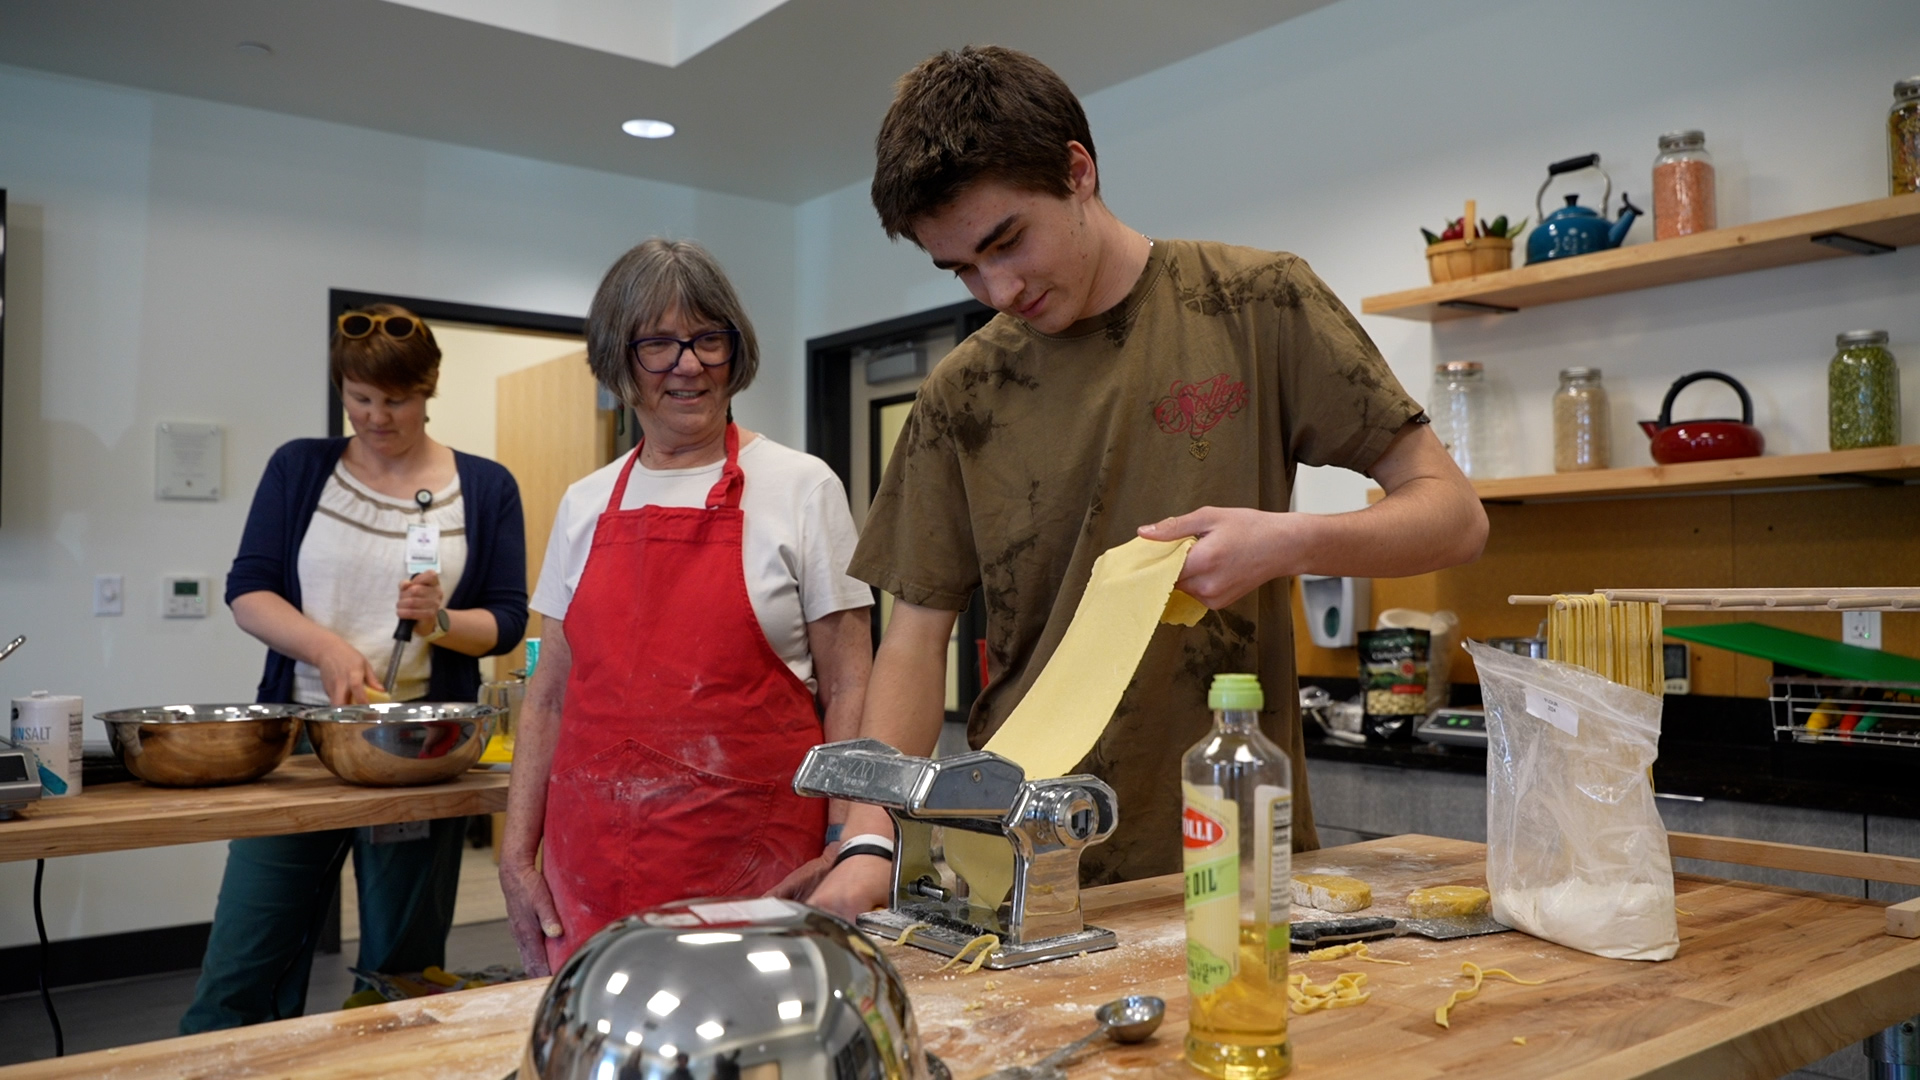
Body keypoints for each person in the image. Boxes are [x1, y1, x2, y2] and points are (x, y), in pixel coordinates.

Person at [799, 46, 1489, 919]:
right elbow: (912, 638)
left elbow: (1454, 516)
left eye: (1007, 241)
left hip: (1230, 842)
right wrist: (870, 837)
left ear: (1077, 170)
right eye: (962, 269)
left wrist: (1290, 542)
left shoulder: (1257, 305)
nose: (997, 288)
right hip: (1017, 866)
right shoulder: (960, 395)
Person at [499, 239, 873, 975]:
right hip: (592, 872)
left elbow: (852, 683)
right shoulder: (583, 505)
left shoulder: (802, 488)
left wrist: (843, 838)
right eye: (660, 345)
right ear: (617, 360)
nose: (690, 364)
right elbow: (548, 697)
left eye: (709, 339)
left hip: (757, 871)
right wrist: (516, 854)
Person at [182, 304, 529, 1031]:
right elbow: (249, 591)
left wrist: (438, 621)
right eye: (359, 398)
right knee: (246, 960)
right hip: (300, 747)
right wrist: (328, 649)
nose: (375, 416)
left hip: (419, 752)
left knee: (401, 977)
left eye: (395, 400)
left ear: (428, 389)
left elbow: (506, 622)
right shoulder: (302, 468)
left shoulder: (486, 487)